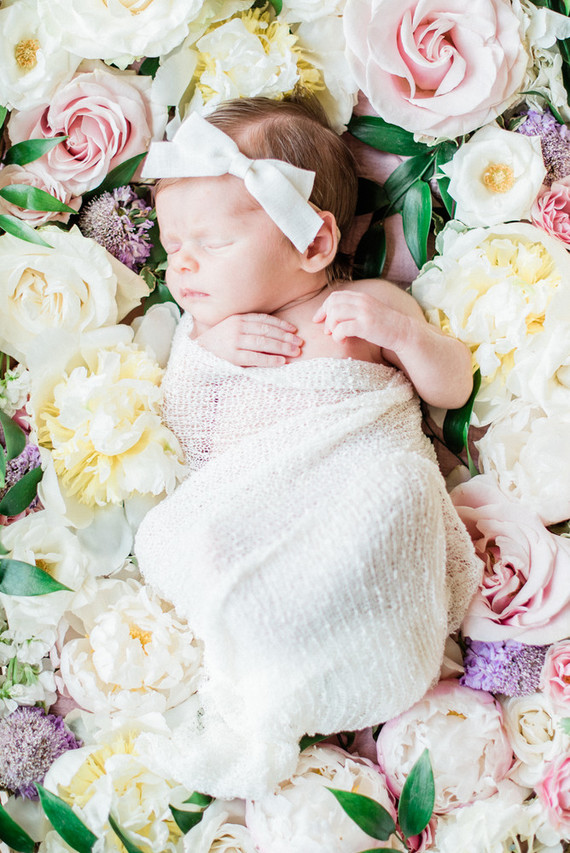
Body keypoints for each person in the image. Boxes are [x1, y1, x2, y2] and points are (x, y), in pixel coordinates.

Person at [134, 96, 482, 800]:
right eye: (174, 250)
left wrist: (409, 336)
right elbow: (189, 434)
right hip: (259, 514)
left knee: (399, 486)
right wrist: (202, 354)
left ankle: (321, 644)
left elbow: (451, 386)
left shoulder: (373, 307)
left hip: (355, 508)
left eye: (213, 245)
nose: (184, 268)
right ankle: (264, 654)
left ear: (314, 243)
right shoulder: (205, 343)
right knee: (174, 532)